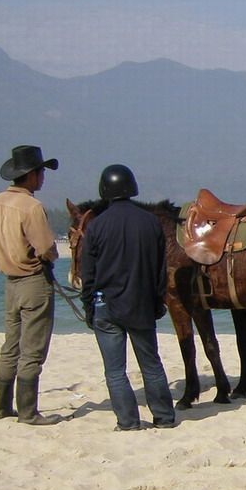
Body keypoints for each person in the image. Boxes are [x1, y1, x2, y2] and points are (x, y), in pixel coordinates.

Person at [80, 164, 175, 431]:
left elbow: (88, 274)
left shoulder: (96, 227)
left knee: (115, 371)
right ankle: (164, 417)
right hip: (141, 304)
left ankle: (128, 421)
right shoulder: (150, 222)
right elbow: (160, 269)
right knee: (151, 365)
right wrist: (158, 302)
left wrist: (88, 307)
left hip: (107, 305)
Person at [0, 145, 64, 425]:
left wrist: (3, 259)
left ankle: (3, 406)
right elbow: (46, 248)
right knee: (33, 350)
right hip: (33, 281)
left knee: (10, 346)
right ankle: (28, 412)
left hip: (10, 283)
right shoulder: (32, 207)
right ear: (31, 175)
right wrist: (47, 259)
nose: (43, 178)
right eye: (41, 172)